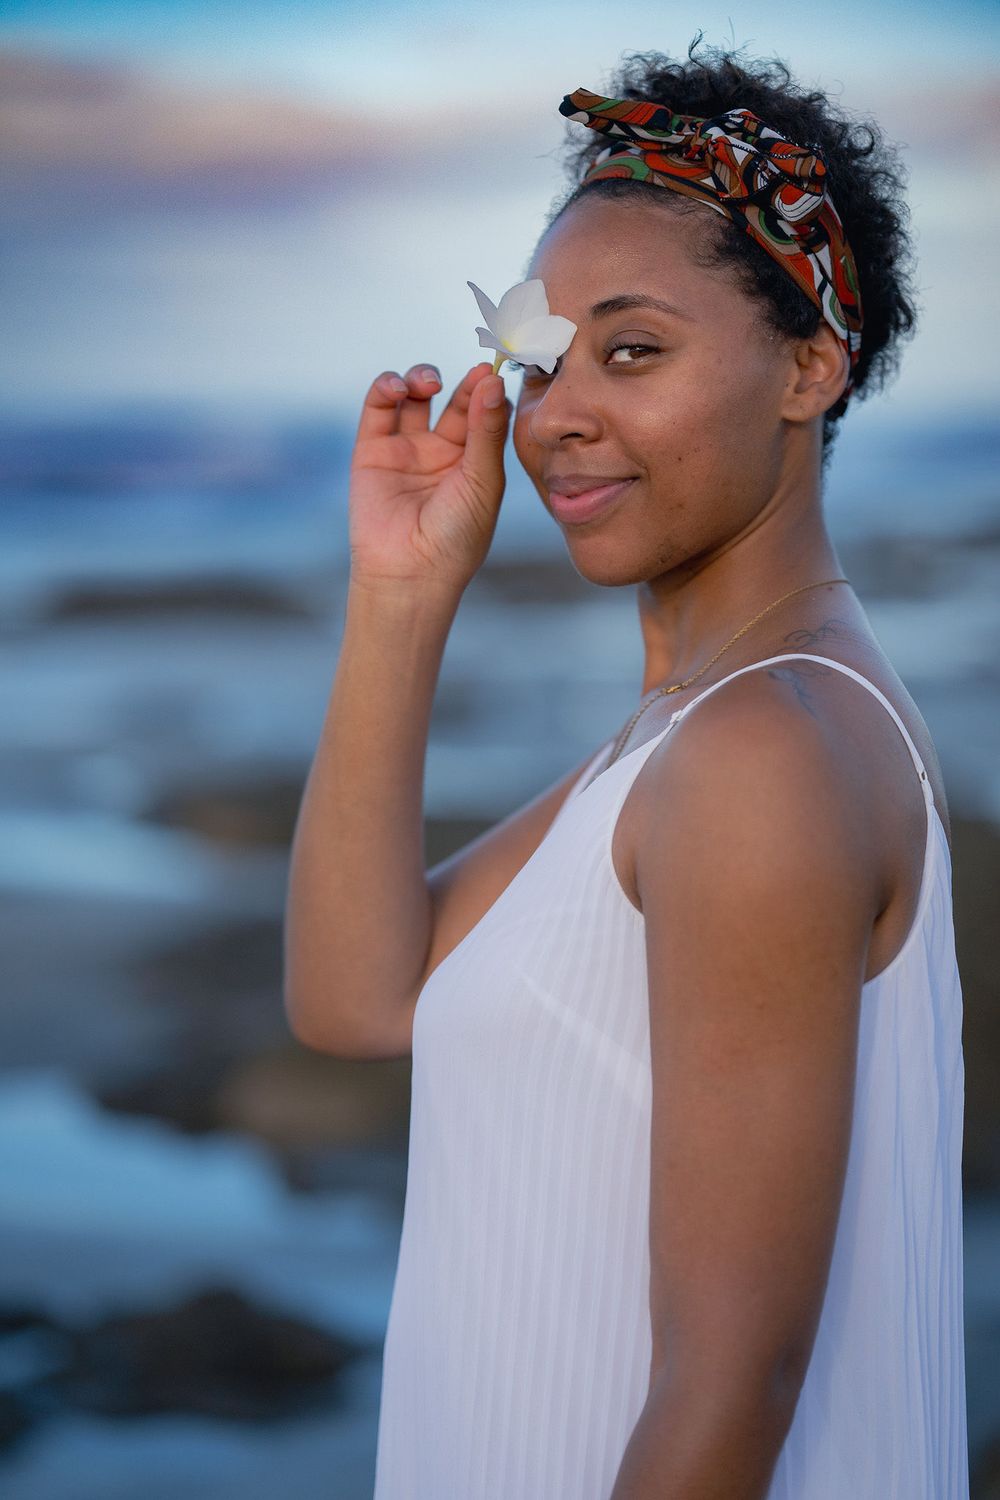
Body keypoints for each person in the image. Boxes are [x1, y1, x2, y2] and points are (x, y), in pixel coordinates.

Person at [282, 35, 969, 1500]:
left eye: (634, 350)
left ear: (809, 366)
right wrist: (400, 599)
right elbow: (353, 999)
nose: (557, 414)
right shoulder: (696, 730)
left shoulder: (762, 751)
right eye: (538, 362)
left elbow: (730, 1385)